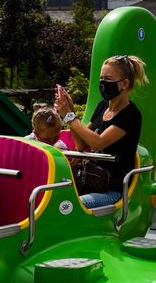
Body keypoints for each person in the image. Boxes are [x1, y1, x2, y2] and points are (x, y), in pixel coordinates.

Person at [54, 54, 147, 207]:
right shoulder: (102, 106)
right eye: (101, 78)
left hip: (112, 190)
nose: (103, 83)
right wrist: (70, 110)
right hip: (90, 180)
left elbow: (98, 143)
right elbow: (82, 144)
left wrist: (70, 117)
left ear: (124, 83)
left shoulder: (131, 115)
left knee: (74, 206)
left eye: (108, 79)